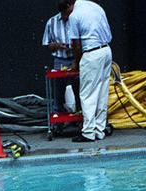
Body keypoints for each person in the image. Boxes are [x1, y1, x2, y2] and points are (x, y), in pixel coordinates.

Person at [58, 0, 113, 143]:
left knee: (87, 94)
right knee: (102, 92)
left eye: (65, 13)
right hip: (106, 50)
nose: (66, 17)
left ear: (68, 6)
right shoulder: (94, 6)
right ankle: (99, 130)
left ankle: (88, 132)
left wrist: (77, 62)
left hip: (91, 53)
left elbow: (76, 44)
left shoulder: (74, 15)